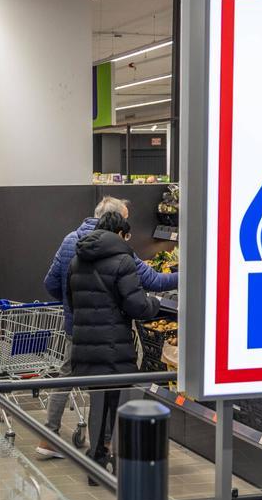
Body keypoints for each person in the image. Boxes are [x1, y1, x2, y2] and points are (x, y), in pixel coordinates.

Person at [37, 196, 178, 459]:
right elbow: (151, 283)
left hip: (78, 327)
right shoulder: (121, 252)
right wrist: (184, 279)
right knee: (114, 392)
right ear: (117, 225)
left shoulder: (72, 242)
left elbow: (52, 282)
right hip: (111, 334)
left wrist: (75, 306)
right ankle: (110, 448)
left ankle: (50, 437)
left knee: (69, 376)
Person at [66, 212, 162, 483]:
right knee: (120, 403)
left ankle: (96, 462)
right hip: (114, 345)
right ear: (120, 234)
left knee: (99, 403)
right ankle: (119, 464)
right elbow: (138, 307)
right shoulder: (122, 261)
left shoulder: (76, 260)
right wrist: (154, 302)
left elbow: (72, 304)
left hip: (86, 346)